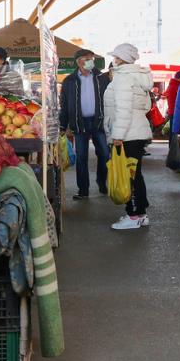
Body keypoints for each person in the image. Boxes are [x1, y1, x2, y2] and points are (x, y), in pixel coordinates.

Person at [103, 43, 154, 230]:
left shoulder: (123, 78)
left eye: (115, 56)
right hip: (136, 131)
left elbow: (123, 110)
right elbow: (146, 106)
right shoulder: (138, 76)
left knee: (129, 175)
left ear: (120, 58)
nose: (113, 59)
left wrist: (117, 135)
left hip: (127, 135)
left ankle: (133, 215)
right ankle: (141, 213)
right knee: (135, 174)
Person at [59, 48, 111, 200]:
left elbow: (109, 100)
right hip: (79, 123)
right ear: (79, 61)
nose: (91, 61)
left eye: (92, 59)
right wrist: (62, 126)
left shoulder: (102, 78)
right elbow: (65, 105)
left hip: (98, 121)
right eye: (87, 58)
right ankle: (83, 190)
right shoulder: (69, 81)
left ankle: (102, 182)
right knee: (81, 158)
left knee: (105, 155)